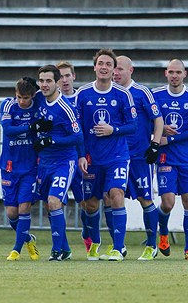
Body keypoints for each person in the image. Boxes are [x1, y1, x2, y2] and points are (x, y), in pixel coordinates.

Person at [75, 48, 137, 261]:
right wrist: (81, 155)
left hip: (117, 156)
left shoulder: (123, 94)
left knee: (116, 194)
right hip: (92, 158)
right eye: (100, 63)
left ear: (113, 69)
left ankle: (118, 248)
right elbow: (78, 129)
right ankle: (95, 242)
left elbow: (133, 125)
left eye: (108, 64)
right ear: (95, 67)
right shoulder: (82, 94)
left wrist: (114, 130)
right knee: (90, 204)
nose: (104, 67)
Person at [112, 55, 164, 261]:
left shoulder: (142, 92)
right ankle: (118, 246)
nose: (116, 73)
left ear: (130, 71)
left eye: (120, 69)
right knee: (112, 197)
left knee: (144, 198)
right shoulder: (111, 93)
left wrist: (154, 145)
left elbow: (158, 120)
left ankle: (152, 245)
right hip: (116, 156)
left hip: (139, 156)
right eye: (114, 69)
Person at [152, 59, 188, 260]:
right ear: (166, 73)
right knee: (167, 203)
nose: (174, 75)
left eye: (178, 72)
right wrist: (158, 129)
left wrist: (169, 138)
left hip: (187, 158)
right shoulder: (156, 95)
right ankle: (163, 234)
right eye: (171, 72)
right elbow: (147, 122)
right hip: (165, 157)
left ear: (185, 74)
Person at [34, 65, 83, 261]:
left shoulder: (65, 108)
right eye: (41, 81)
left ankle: (56, 251)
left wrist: (53, 140)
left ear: (57, 84)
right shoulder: (38, 98)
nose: (44, 85)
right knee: (49, 205)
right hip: (44, 162)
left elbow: (78, 136)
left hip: (64, 161)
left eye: (48, 81)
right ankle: (65, 248)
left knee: (54, 201)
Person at [0, 77, 42, 261]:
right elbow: (8, 130)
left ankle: (16, 250)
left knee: (24, 208)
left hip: (30, 167)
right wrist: (31, 127)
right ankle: (28, 239)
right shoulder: (8, 105)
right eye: (19, 97)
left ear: (32, 96)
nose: (22, 101)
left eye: (25, 98)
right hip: (9, 166)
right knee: (11, 212)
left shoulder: (38, 108)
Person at [56, 60, 91, 252]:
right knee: (56, 203)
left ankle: (87, 232)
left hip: (80, 159)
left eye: (68, 75)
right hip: (58, 160)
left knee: (87, 203)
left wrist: (84, 155)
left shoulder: (82, 98)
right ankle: (63, 247)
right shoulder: (49, 100)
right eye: (60, 76)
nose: (65, 80)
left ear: (74, 76)